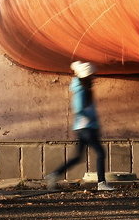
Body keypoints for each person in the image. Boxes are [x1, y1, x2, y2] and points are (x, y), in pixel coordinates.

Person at [46, 61, 114, 191]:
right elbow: (78, 109)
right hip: (86, 128)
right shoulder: (82, 91)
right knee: (101, 153)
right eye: (92, 76)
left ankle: (54, 175)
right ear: (86, 77)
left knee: (78, 157)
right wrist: (91, 119)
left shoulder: (84, 89)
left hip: (84, 127)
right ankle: (101, 183)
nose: (94, 78)